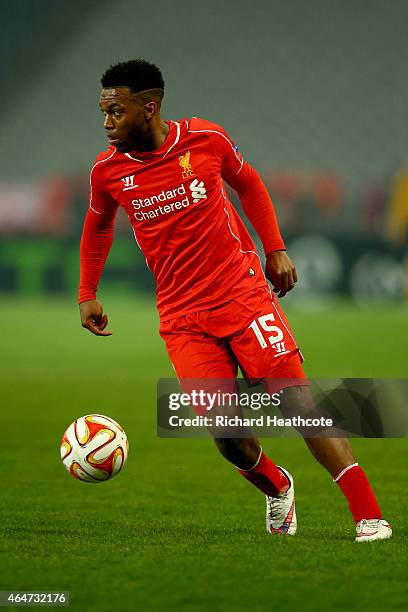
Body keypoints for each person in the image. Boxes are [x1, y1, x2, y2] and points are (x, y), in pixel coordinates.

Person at [78, 59, 391, 542]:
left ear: (149, 108)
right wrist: (87, 293)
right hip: (183, 318)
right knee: (226, 434)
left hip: (242, 296)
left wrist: (276, 248)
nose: (106, 124)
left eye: (115, 112)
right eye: (103, 113)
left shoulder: (206, 139)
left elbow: (249, 183)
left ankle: (369, 514)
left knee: (298, 405)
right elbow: (97, 226)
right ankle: (276, 485)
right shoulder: (108, 171)